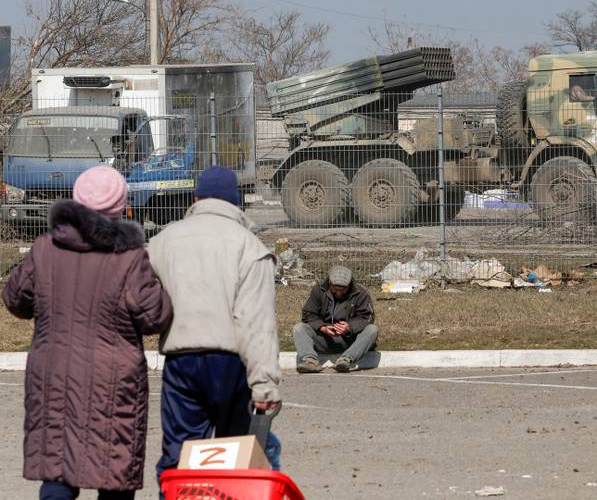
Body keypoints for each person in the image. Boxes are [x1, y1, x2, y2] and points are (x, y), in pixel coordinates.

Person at [2, 166, 172, 500]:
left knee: (57, 464)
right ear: (121, 206)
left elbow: (14, 299)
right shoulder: (129, 256)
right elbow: (154, 316)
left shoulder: (45, 248)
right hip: (113, 379)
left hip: (54, 373)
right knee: (114, 468)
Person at [148, 166, 282, 483]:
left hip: (181, 362)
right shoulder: (249, 247)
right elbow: (255, 323)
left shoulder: (162, 241)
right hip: (231, 364)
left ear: (195, 198)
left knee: (179, 455)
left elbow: (144, 301)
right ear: (236, 203)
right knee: (242, 454)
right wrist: (264, 384)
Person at [293, 265, 378, 373]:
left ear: (350, 284)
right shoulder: (318, 290)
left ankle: (345, 360)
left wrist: (349, 327)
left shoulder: (361, 293)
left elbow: (367, 317)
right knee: (299, 328)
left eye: (343, 289)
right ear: (329, 282)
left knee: (372, 329)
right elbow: (308, 314)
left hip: (351, 340)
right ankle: (310, 361)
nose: (339, 293)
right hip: (324, 339)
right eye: (335, 289)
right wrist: (322, 327)